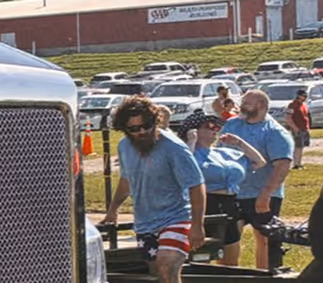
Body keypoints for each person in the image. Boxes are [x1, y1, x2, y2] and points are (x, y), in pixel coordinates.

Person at [102, 95, 205, 283]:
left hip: (176, 217)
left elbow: (196, 185)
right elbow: (127, 180)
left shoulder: (173, 147)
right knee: (158, 273)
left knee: (166, 266)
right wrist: (112, 210)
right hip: (145, 222)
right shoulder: (124, 146)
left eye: (146, 126)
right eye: (134, 129)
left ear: (154, 122)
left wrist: (197, 225)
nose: (142, 132)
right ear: (124, 129)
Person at [219, 90, 296, 270]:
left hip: (262, 194)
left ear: (260, 106)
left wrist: (266, 194)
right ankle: (226, 276)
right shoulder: (232, 125)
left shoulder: (275, 131)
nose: (241, 106)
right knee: (228, 240)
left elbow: (283, 165)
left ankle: (264, 276)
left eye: (247, 103)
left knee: (265, 240)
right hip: (234, 193)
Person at [179, 112, 266, 263]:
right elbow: (185, 169)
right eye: (208, 127)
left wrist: (239, 142)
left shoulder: (225, 153)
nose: (215, 130)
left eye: (217, 127)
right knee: (200, 258)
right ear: (193, 131)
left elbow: (259, 162)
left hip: (229, 204)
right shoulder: (189, 154)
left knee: (231, 257)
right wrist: (191, 142)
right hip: (205, 205)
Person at [287, 90, 311, 164]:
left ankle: (299, 163)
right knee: (298, 147)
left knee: (302, 146)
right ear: (299, 96)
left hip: (304, 128)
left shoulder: (303, 105)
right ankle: (296, 163)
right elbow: (288, 118)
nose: (305, 97)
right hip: (297, 129)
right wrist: (295, 128)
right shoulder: (292, 105)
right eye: (303, 96)